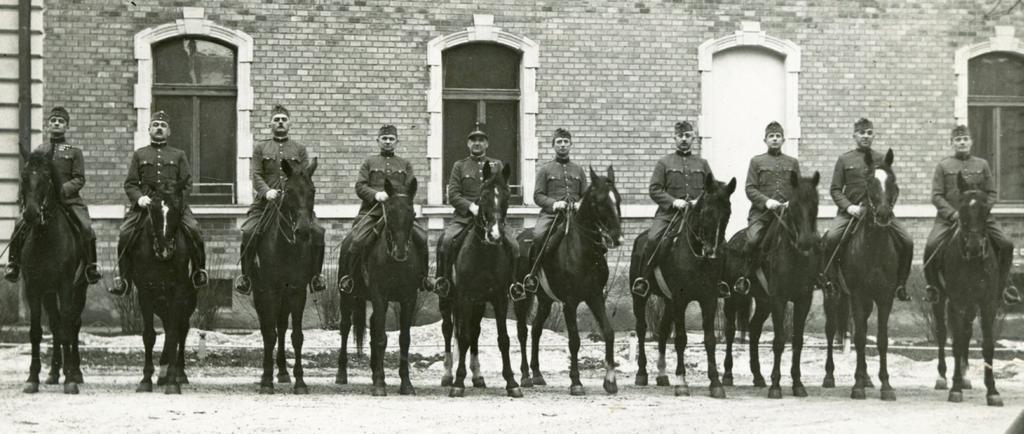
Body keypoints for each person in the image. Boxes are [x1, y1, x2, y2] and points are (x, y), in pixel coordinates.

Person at [112, 110, 207, 295]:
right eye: (155, 125)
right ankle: (124, 279)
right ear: (149, 129)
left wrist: (177, 203)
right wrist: (139, 198)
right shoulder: (139, 155)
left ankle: (198, 271)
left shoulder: (178, 155)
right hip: (146, 206)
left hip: (173, 207)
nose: (159, 128)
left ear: (169, 131)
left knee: (194, 229)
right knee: (124, 233)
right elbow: (130, 183)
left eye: (163, 126)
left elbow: (187, 183)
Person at [234, 105, 326, 294]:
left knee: (317, 231)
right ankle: (246, 277)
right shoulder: (261, 148)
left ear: (289, 123)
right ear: (270, 124)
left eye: (284, 119)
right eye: (276, 119)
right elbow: (257, 174)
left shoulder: (299, 149)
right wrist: (267, 191)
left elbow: (304, 177)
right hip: (266, 204)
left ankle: (316, 276)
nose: (280, 122)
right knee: (249, 232)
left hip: (294, 205)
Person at [923, 125, 1020, 304]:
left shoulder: (982, 164)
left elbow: (992, 193)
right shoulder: (943, 166)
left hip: (980, 219)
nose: (962, 142)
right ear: (952, 143)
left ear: (971, 142)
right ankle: (933, 287)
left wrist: (983, 211)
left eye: (965, 139)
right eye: (958, 140)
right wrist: (952, 214)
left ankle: (1005, 285)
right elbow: (936, 196)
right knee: (931, 245)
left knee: (1006, 244)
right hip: (949, 219)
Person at [5, 106, 102, 284]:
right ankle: (13, 264)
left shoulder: (74, 152)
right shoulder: (39, 151)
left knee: (87, 228)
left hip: (68, 201)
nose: (56, 124)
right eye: (53, 121)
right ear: (48, 125)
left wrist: (62, 190)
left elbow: (79, 179)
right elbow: (29, 179)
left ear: (67, 127)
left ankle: (91, 267)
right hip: (42, 201)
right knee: (19, 225)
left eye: (61, 121)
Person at [822, 118, 913, 301]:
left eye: (869, 133)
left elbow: (893, 188)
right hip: (852, 212)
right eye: (862, 133)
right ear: (854, 135)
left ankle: (900, 285)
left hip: (879, 212)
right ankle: (831, 282)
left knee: (907, 241)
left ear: (873, 135)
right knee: (831, 238)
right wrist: (849, 207)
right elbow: (835, 189)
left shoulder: (882, 159)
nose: (865, 136)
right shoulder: (844, 159)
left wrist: (888, 205)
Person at [337, 124, 429, 293]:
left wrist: (397, 200)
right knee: (356, 241)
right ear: (378, 141)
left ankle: (423, 278)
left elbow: (410, 189)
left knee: (422, 238)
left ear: (397, 142)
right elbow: (360, 186)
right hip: (373, 213)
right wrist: (376, 195)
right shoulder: (369, 163)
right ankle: (350, 278)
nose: (388, 142)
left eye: (391, 139)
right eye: (384, 139)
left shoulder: (405, 164)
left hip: (398, 215)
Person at [631, 120, 712, 293]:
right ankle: (644, 279)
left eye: (688, 136)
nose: (684, 139)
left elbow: (711, 190)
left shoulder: (702, 164)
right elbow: (654, 189)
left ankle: (720, 281)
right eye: (680, 136)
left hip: (696, 215)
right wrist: (673, 201)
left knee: (718, 240)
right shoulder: (664, 163)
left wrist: (700, 202)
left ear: (693, 138)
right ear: (674, 138)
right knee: (653, 239)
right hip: (669, 214)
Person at [431, 125, 513, 290]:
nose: (477, 143)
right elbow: (453, 195)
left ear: (487, 144)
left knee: (514, 245)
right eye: (473, 140)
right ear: (468, 144)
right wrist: (471, 207)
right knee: (447, 241)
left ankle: (512, 285)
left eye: (481, 140)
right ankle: (444, 282)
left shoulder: (497, 165)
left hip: (491, 219)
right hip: (464, 218)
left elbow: (503, 192)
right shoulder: (459, 166)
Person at [738, 121, 801, 285]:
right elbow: (750, 188)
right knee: (752, 240)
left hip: (787, 214)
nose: (775, 139)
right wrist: (767, 202)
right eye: (771, 136)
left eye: (778, 136)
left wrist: (790, 203)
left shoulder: (792, 162)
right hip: (763, 214)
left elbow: (798, 189)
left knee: (809, 237)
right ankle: (744, 277)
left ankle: (813, 278)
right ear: (765, 140)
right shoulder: (756, 161)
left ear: (783, 140)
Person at [526, 128, 586, 266]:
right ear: (553, 145)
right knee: (538, 235)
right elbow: (538, 195)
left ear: (571, 145)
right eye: (559, 141)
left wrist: (580, 204)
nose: (563, 144)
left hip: (576, 215)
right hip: (552, 215)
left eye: (566, 141)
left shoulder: (579, 169)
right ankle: (534, 273)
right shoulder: (545, 169)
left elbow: (585, 194)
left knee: (597, 238)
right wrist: (554, 204)